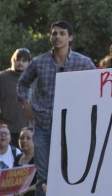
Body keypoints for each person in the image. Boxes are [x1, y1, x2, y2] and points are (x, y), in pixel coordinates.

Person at [16, 20, 96, 196]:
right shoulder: (38, 62)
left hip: (72, 128)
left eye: (62, 33)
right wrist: (26, 106)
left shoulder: (83, 62)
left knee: (72, 172)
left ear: (70, 37)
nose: (57, 36)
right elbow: (22, 83)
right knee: (43, 176)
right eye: (54, 33)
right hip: (44, 126)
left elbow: (98, 86)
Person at [14, 127, 36, 195]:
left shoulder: (39, 159)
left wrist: (26, 190)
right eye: (21, 138)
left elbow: (43, 182)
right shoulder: (17, 158)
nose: (24, 140)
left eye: (28, 138)